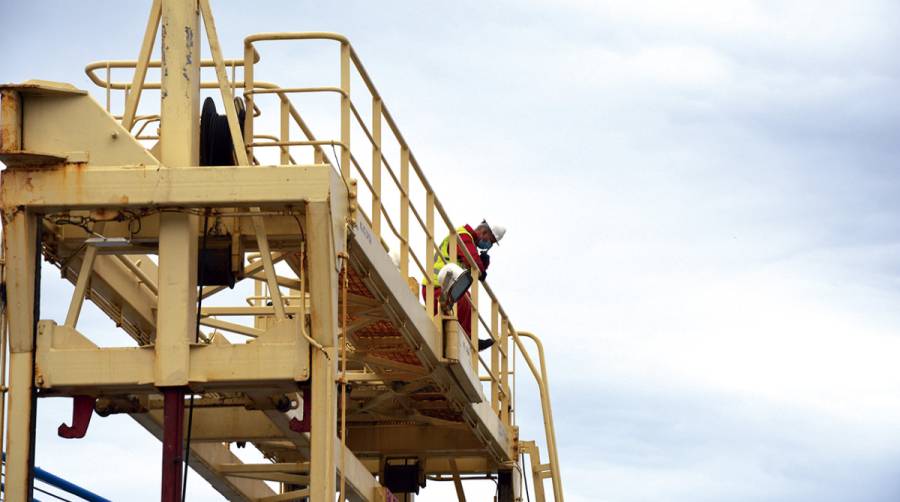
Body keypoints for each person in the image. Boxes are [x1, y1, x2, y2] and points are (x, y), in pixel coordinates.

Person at [422, 220, 506, 351]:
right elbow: (472, 262)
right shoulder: (463, 237)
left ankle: (468, 337)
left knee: (466, 299)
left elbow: (473, 268)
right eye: (490, 241)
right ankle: (469, 339)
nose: (488, 245)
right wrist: (481, 268)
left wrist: (483, 265)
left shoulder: (465, 239)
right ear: (484, 232)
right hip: (436, 287)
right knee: (464, 299)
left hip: (442, 287)